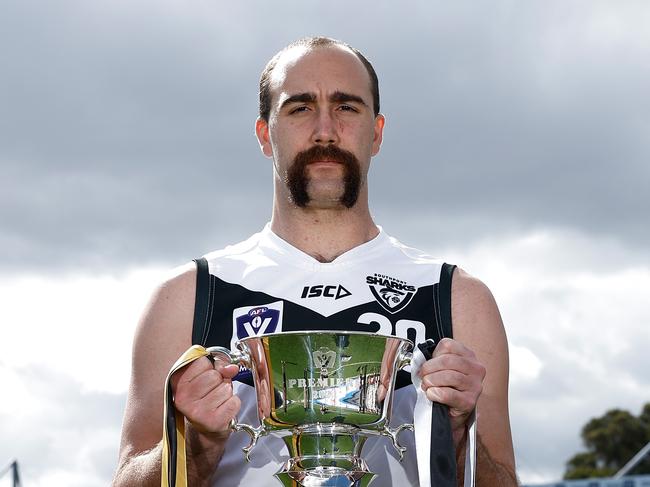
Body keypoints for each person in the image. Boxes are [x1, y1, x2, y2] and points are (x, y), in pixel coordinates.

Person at [112, 36, 517, 487]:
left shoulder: (456, 298)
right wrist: (196, 446)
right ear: (265, 134)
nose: (325, 129)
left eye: (347, 107)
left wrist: (460, 437)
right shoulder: (188, 296)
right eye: (300, 108)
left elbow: (502, 477)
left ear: (377, 133)